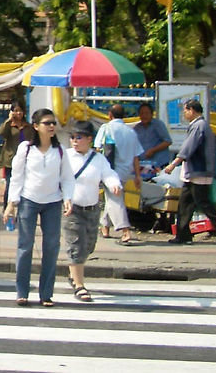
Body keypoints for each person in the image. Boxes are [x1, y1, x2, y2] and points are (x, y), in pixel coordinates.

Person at [2, 108, 74, 307]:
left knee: (51, 247)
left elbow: (67, 178)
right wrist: (11, 204)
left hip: (52, 202)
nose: (51, 126)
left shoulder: (60, 151)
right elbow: (16, 178)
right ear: (36, 126)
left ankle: (46, 294)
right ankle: (22, 291)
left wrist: (68, 198)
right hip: (29, 200)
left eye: (53, 123)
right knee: (25, 247)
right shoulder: (26, 149)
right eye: (47, 123)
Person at [164, 99, 216, 248]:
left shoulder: (199, 126)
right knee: (185, 204)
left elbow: (188, 148)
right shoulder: (200, 125)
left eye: (185, 110)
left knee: (203, 204)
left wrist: (173, 164)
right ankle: (183, 235)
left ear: (192, 110)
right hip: (194, 172)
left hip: (198, 171)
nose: (184, 114)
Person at [63, 121, 122, 302]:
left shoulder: (98, 159)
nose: (75, 141)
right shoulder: (65, 157)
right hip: (71, 209)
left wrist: (114, 184)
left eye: (79, 137)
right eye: (72, 137)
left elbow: (108, 174)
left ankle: (74, 273)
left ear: (89, 139)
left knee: (88, 245)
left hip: (92, 209)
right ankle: (79, 285)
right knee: (76, 245)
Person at [94, 104, 143, 244]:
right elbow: (136, 156)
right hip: (126, 172)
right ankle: (105, 226)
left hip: (109, 171)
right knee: (112, 198)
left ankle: (125, 229)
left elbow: (98, 149)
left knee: (115, 199)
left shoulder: (106, 128)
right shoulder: (131, 132)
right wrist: (138, 176)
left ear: (110, 115)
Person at [0, 100, 37, 210]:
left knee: (24, 185)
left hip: (26, 159)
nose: (18, 113)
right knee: (10, 185)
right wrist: (9, 120)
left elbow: (33, 139)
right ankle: (7, 208)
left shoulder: (28, 126)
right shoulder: (9, 125)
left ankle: (21, 210)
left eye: (20, 111)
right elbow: (0, 132)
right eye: (16, 111)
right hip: (11, 160)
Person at [133, 102, 173, 167]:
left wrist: (153, 150)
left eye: (146, 113)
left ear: (151, 114)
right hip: (143, 164)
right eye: (141, 113)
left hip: (159, 163)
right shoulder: (137, 128)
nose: (144, 116)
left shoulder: (158, 124)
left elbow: (168, 141)